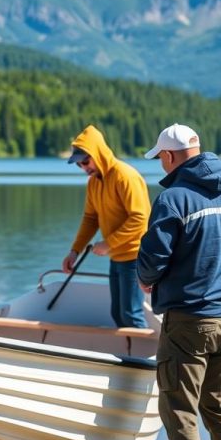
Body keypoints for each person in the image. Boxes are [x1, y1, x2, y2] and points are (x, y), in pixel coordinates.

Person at [136, 124, 221, 440]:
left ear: (170, 155)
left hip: (189, 323)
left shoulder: (173, 199)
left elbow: (153, 259)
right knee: (220, 409)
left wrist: (146, 278)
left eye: (160, 157)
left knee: (180, 414)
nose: (161, 163)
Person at [62, 125, 151, 328]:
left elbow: (140, 218)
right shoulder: (94, 182)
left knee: (131, 314)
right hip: (116, 257)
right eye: (79, 165)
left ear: (98, 154)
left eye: (85, 161)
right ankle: (129, 358)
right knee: (118, 315)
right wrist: (74, 251)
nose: (84, 168)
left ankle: (147, 360)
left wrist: (108, 243)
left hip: (135, 257)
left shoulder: (125, 176)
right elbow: (90, 218)